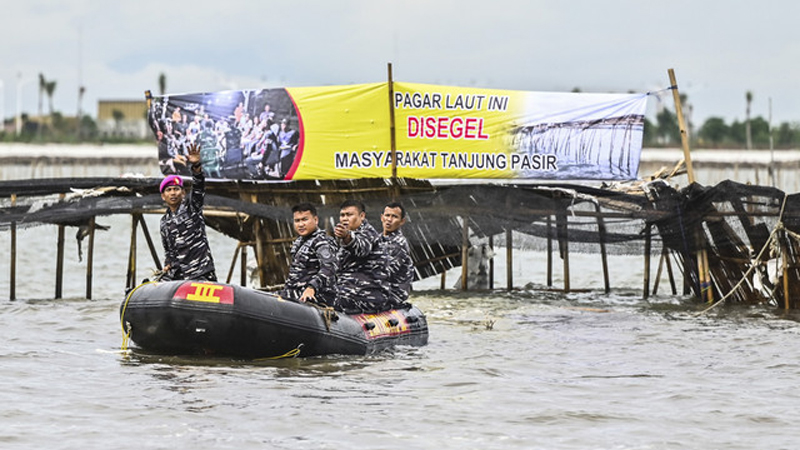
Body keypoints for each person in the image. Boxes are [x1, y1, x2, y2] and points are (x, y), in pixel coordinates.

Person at [159, 142, 217, 281]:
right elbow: (169, 252)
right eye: (169, 190)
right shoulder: (164, 222)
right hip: (179, 277)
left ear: (183, 193)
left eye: (176, 189)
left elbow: (198, 187)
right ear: (163, 196)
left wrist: (196, 167)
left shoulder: (192, 208)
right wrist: (167, 265)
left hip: (200, 271)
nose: (173, 193)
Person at [333, 200, 389, 312]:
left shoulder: (368, 233)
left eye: (349, 215)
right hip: (348, 293)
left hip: (367, 296)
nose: (344, 219)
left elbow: (361, 248)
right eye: (342, 215)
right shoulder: (346, 238)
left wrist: (346, 237)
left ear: (362, 216)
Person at [281, 203, 338, 305]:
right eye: (297, 221)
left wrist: (312, 287)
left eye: (304, 219)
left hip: (315, 296)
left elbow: (329, 268)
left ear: (315, 220)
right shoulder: (299, 242)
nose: (301, 224)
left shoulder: (321, 242)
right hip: (294, 293)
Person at [378, 202, 414, 307]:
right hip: (379, 289)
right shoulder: (377, 240)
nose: (389, 219)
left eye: (394, 216)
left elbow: (386, 272)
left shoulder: (399, 243)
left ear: (402, 221)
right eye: (387, 215)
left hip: (394, 293)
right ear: (382, 217)